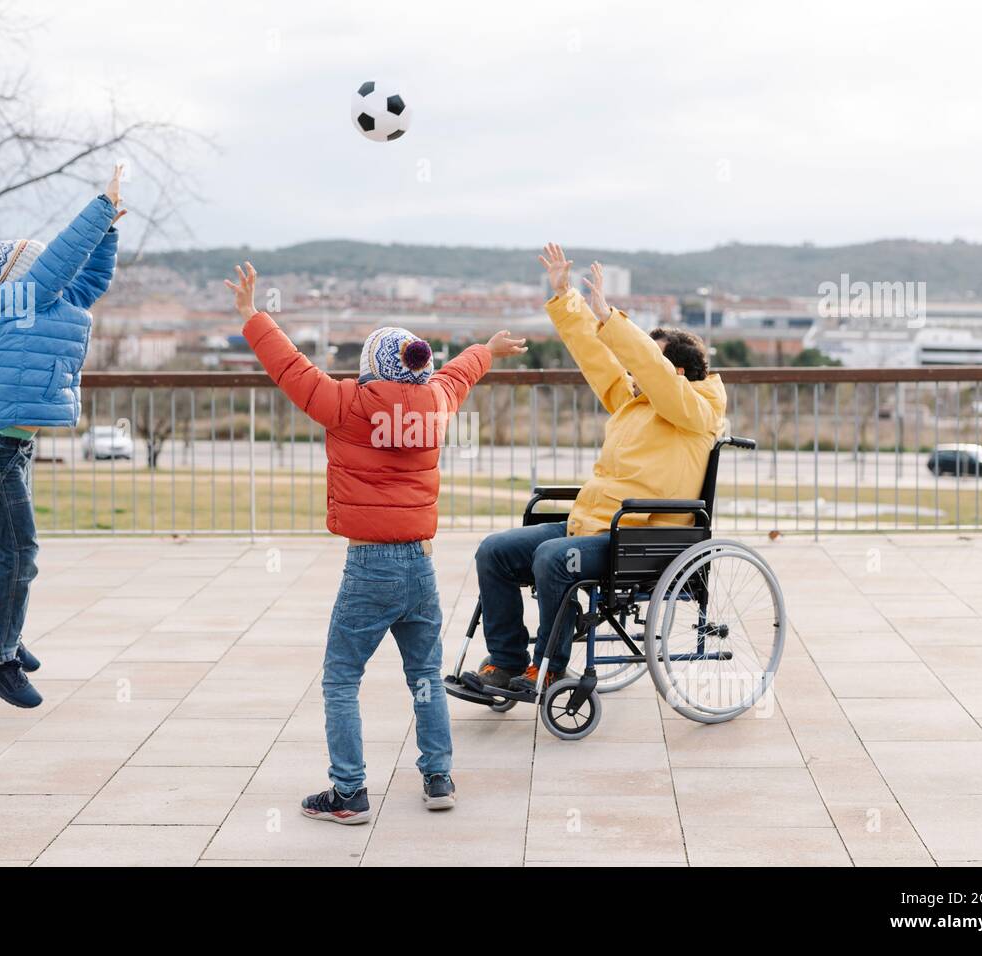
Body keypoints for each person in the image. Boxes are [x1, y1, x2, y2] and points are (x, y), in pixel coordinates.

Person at [224, 262, 527, 824]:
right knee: (425, 678)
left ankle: (349, 793)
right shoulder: (435, 404)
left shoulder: (344, 404)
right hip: (421, 563)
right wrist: (485, 349)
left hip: (368, 564)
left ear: (369, 367)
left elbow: (291, 368)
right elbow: (456, 377)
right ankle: (438, 777)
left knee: (342, 678)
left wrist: (251, 315)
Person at [463, 243, 726, 696]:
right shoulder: (636, 402)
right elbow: (598, 358)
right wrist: (568, 298)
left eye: (647, 361)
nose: (634, 370)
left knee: (551, 559)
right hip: (597, 525)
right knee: (494, 551)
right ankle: (507, 662)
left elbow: (655, 374)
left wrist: (610, 317)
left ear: (677, 371)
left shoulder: (698, 409)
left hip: (643, 537)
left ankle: (548, 668)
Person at [0, 166, 126, 708]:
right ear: (24, 276)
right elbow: (60, 259)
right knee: (21, 549)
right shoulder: (25, 297)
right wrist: (100, 207)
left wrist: (109, 233)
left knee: (6, 546)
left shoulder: (54, 303)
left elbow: (91, 279)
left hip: (13, 445)